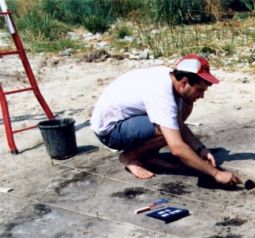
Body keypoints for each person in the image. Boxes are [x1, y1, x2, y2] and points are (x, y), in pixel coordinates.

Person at [90, 54, 241, 186]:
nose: (202, 96)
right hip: (110, 130)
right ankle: (130, 157)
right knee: (168, 130)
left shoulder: (172, 79)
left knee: (181, 112)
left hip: (129, 119)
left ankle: (149, 155)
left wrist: (201, 150)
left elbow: (178, 124)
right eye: (200, 90)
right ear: (184, 82)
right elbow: (176, 148)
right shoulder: (161, 93)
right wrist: (216, 174)